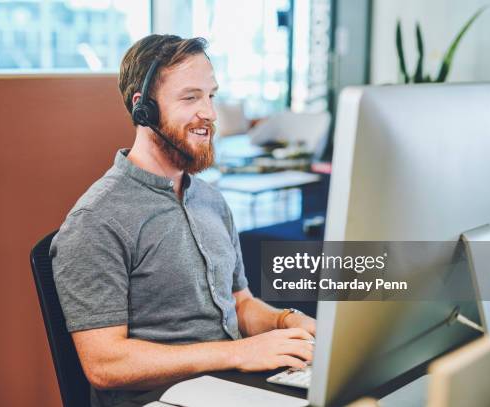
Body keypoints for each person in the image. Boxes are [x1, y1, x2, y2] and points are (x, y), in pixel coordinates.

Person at [50, 34, 316, 407]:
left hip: (228, 387)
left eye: (211, 95)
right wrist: (239, 353)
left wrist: (289, 322)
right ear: (143, 109)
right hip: (162, 399)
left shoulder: (211, 200)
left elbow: (239, 305)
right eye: (190, 98)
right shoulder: (96, 220)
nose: (208, 112)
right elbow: (104, 363)